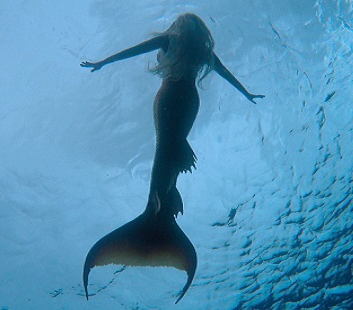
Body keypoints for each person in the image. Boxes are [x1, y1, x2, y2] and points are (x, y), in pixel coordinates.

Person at [81, 13, 263, 303]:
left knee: (169, 147)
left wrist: (103, 62)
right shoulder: (201, 51)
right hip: (185, 100)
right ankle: (158, 207)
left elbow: (224, 73)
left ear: (178, 27)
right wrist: (246, 94)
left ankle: (158, 209)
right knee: (169, 146)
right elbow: (227, 75)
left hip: (173, 98)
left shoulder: (177, 43)